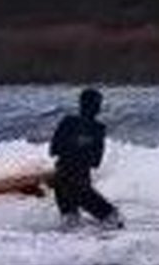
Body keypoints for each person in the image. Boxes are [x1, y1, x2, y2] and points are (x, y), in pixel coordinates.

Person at [47, 87, 121, 226]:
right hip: (80, 185)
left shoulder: (67, 122)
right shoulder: (98, 129)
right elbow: (95, 162)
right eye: (98, 104)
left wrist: (73, 149)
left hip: (61, 182)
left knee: (71, 226)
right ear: (96, 107)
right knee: (115, 220)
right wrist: (82, 150)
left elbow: (53, 150)